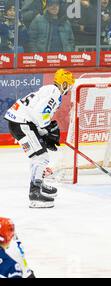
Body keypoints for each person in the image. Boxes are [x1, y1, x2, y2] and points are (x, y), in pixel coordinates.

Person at [3, 69, 75, 208]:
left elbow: (35, 113)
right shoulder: (55, 93)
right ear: (64, 83)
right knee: (41, 156)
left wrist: (42, 132)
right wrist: (46, 130)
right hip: (22, 123)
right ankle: (35, 193)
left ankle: (38, 185)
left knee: (38, 156)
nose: (70, 88)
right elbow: (39, 113)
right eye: (69, 85)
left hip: (19, 122)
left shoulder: (49, 89)